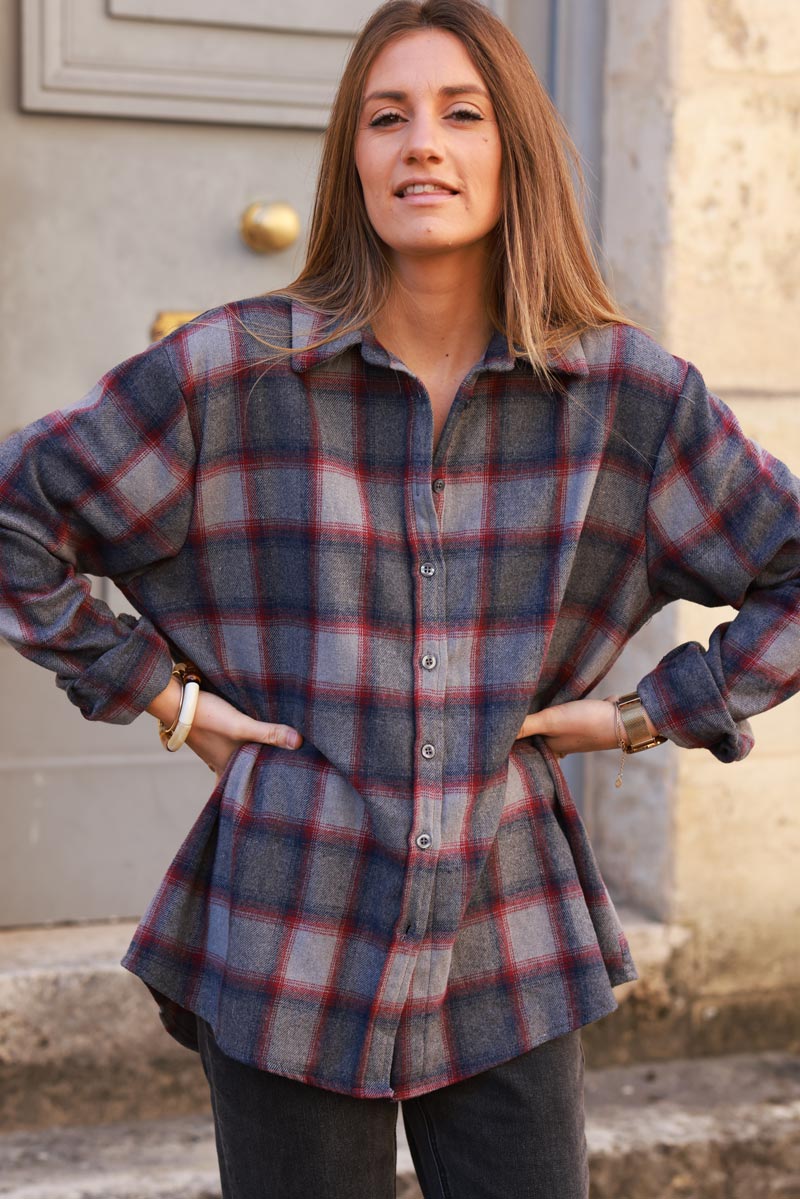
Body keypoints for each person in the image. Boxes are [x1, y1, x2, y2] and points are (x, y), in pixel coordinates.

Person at [0, 1, 798, 1195]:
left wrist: (643, 713)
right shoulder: (232, 375)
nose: (419, 141)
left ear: (510, 149)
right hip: (288, 930)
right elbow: (17, 518)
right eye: (386, 117)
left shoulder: (624, 399)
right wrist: (170, 702)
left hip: (507, 931)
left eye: (459, 112)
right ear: (353, 161)